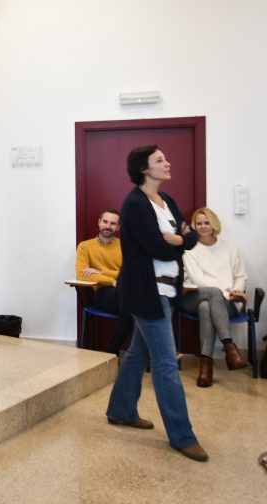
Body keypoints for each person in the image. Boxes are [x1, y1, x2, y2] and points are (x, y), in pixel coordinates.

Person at [106, 145, 208, 462]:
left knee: (139, 353)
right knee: (166, 363)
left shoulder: (168, 201)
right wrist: (180, 241)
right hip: (145, 293)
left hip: (165, 290)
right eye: (160, 160)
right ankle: (182, 436)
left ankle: (121, 410)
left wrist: (180, 239)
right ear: (144, 169)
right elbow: (157, 248)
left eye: (165, 158)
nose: (167, 163)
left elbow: (191, 237)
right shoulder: (135, 204)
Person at [181, 206, 249, 387]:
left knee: (206, 306)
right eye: (199, 223)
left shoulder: (230, 248)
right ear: (194, 226)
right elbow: (198, 280)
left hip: (227, 301)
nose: (203, 226)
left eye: (207, 222)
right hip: (195, 295)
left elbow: (240, 276)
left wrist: (237, 291)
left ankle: (206, 364)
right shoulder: (190, 249)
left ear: (214, 224)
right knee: (212, 295)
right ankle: (229, 347)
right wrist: (223, 292)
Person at [75, 209, 134, 355]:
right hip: (103, 292)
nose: (108, 226)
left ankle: (111, 354)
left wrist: (101, 273)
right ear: (99, 222)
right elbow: (81, 275)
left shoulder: (125, 245)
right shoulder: (85, 246)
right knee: (137, 306)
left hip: (125, 290)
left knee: (133, 308)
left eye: (112, 223)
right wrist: (112, 281)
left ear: (118, 227)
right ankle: (150, 355)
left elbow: (130, 274)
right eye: (105, 222)